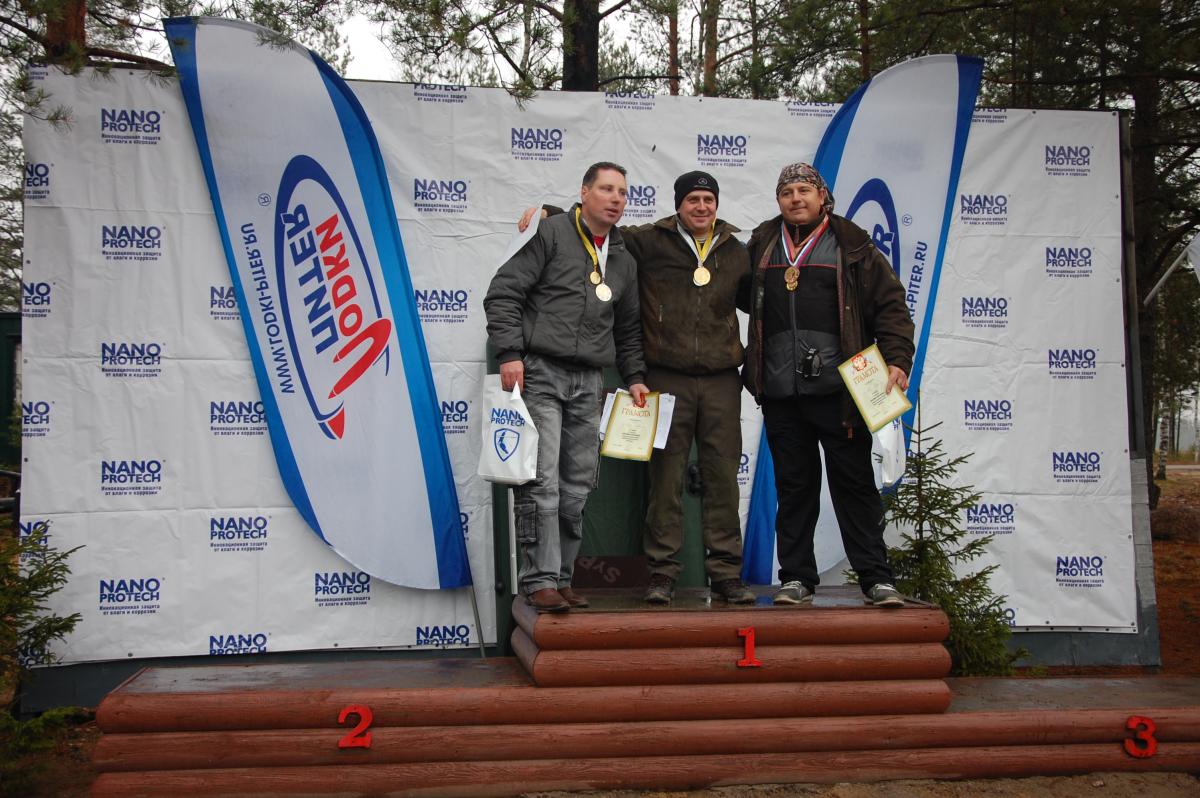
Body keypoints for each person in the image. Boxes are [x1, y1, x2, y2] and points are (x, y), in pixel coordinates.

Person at [521, 171, 754, 606]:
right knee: (664, 480)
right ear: (678, 204)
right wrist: (550, 213)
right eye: (692, 199)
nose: (701, 206)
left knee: (723, 476)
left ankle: (726, 573)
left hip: (722, 377)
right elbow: (597, 229)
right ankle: (662, 572)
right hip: (666, 374)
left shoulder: (737, 251)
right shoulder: (648, 241)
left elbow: (760, 303)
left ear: (717, 205)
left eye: (708, 199)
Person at [743, 162, 915, 608]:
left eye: (804, 190)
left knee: (854, 487)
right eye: (787, 192)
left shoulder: (852, 245)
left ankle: (876, 579)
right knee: (794, 489)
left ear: (822, 196)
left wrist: (898, 359)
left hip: (841, 394)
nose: (795, 198)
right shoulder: (762, 244)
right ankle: (796, 578)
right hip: (782, 393)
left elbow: (892, 307)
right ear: (778, 200)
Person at [485, 162, 649, 613]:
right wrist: (509, 353)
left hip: (590, 380)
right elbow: (503, 293)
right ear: (584, 192)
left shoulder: (623, 258)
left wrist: (635, 377)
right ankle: (538, 580)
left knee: (577, 485)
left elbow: (628, 329)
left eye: (622, 192)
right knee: (542, 481)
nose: (615, 199)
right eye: (606, 189)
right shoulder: (550, 233)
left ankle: (562, 577)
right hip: (540, 371)